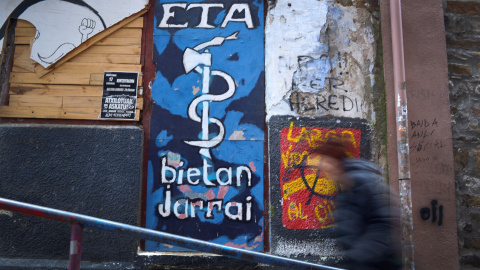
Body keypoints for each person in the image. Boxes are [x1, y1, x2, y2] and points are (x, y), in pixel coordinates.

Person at [312, 138, 400, 270]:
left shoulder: (360, 181)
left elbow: (381, 224)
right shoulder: (345, 186)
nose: (323, 168)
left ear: (336, 159)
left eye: (326, 161)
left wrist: (359, 256)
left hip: (375, 264)